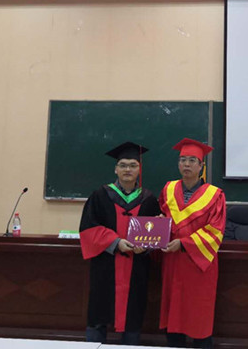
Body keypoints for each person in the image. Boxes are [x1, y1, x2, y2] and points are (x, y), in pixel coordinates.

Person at [79, 141, 161, 345]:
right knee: (99, 313)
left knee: (133, 315)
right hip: (105, 266)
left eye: (133, 165)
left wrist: (146, 247)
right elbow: (88, 229)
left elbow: (155, 233)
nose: (127, 169)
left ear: (139, 170)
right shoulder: (100, 195)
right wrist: (116, 243)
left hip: (136, 268)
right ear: (115, 169)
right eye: (123, 165)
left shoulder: (149, 199)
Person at [159, 138, 226, 349]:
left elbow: (215, 231)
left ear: (201, 166)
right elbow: (162, 217)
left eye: (192, 160)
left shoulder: (215, 195)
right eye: (182, 160)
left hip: (199, 263)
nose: (186, 164)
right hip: (172, 261)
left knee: (199, 316)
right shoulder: (168, 189)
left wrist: (184, 243)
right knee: (173, 315)